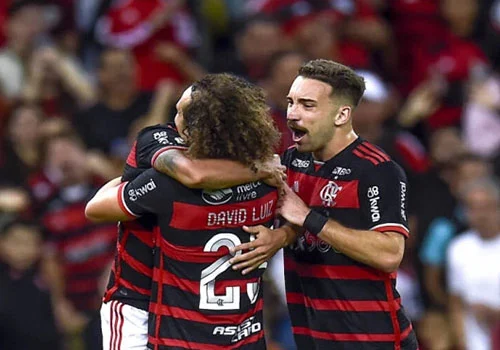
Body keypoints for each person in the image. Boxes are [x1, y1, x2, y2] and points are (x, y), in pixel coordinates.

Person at [230, 59, 418, 349]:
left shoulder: (377, 170)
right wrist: (279, 237)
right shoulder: (294, 160)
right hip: (311, 335)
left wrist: (309, 217)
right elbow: (295, 221)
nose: (292, 114)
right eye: (291, 103)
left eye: (307, 105)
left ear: (341, 114)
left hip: (370, 339)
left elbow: (390, 253)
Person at [86, 73, 282, 349]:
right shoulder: (270, 181)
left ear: (195, 130)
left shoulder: (165, 176)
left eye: (179, 112)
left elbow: (95, 209)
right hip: (235, 323)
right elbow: (300, 214)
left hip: (146, 304)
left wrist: (127, 180)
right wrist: (282, 235)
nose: (172, 119)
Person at [447, 177, 500, 350]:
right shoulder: (458, 248)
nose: (481, 215)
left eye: (487, 207)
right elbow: (456, 302)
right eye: (473, 208)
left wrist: (495, 315)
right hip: (474, 341)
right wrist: (461, 341)